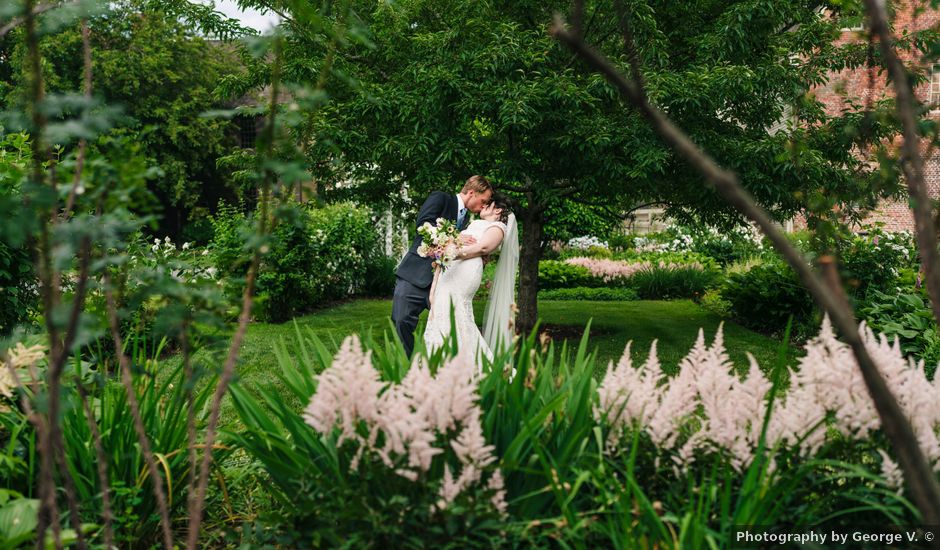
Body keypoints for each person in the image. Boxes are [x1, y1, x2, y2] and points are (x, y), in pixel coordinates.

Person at [392, 175, 493, 358]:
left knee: (451, 330)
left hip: (445, 285)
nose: (483, 206)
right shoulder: (441, 198)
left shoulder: (471, 224)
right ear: (471, 193)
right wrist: (454, 237)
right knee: (401, 322)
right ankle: (406, 370)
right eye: (483, 201)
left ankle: (446, 373)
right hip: (414, 277)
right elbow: (424, 224)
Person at [423, 193, 519, 362]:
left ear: (497, 210)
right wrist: (444, 254)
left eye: (488, 204)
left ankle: (465, 362)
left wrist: (452, 254)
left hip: (465, 273)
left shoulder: (497, 228)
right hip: (452, 270)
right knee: (442, 309)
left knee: (456, 311)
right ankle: (442, 360)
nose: (483, 206)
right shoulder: (476, 223)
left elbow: (483, 248)